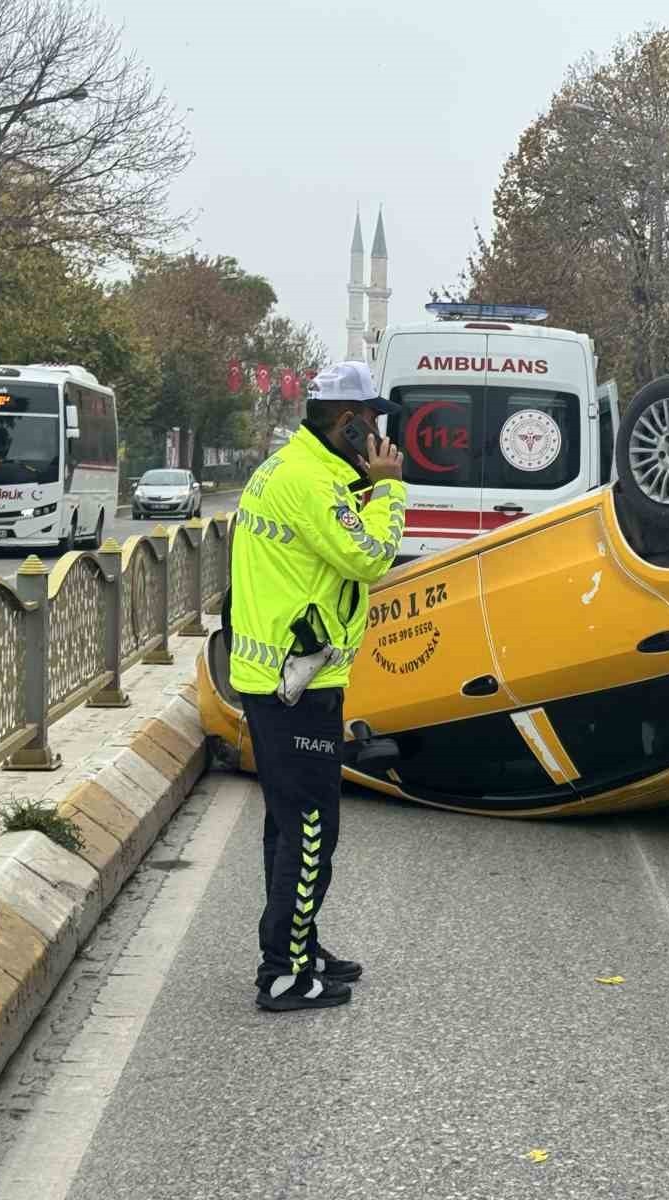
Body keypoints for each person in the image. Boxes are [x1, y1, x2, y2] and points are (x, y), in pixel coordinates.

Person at [227, 361, 405, 1011]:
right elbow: (369, 557)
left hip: (284, 675)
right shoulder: (309, 481)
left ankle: (300, 946)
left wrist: (362, 480)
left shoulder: (300, 469)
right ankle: (283, 971)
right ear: (348, 423)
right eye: (374, 422)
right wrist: (388, 489)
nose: (382, 434)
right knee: (309, 828)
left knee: (290, 823)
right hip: (294, 683)